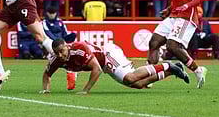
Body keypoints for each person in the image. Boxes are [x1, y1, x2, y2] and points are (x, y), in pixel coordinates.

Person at [147, 0, 207, 89]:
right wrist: (168, 10)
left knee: (172, 46)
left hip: (187, 16)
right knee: (153, 42)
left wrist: (187, 6)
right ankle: (149, 76)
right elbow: (176, 0)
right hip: (174, 15)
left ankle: (198, 70)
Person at [40, 40, 189, 94]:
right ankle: (171, 70)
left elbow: (96, 69)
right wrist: (46, 90)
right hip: (104, 64)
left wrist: (85, 91)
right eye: (57, 53)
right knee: (137, 84)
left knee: (130, 77)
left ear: (67, 46)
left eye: (62, 51)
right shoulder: (56, 59)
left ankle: (166, 64)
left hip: (107, 54)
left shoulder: (79, 48)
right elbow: (47, 74)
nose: (60, 55)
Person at [42, 5, 78, 90]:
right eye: (50, 13)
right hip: (52, 45)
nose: (52, 15)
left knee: (64, 59)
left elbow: (65, 33)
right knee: (54, 62)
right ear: (47, 13)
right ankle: (71, 71)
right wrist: (58, 43)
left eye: (53, 13)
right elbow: (47, 34)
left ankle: (71, 72)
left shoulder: (60, 22)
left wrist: (71, 36)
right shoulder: (44, 22)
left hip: (61, 44)